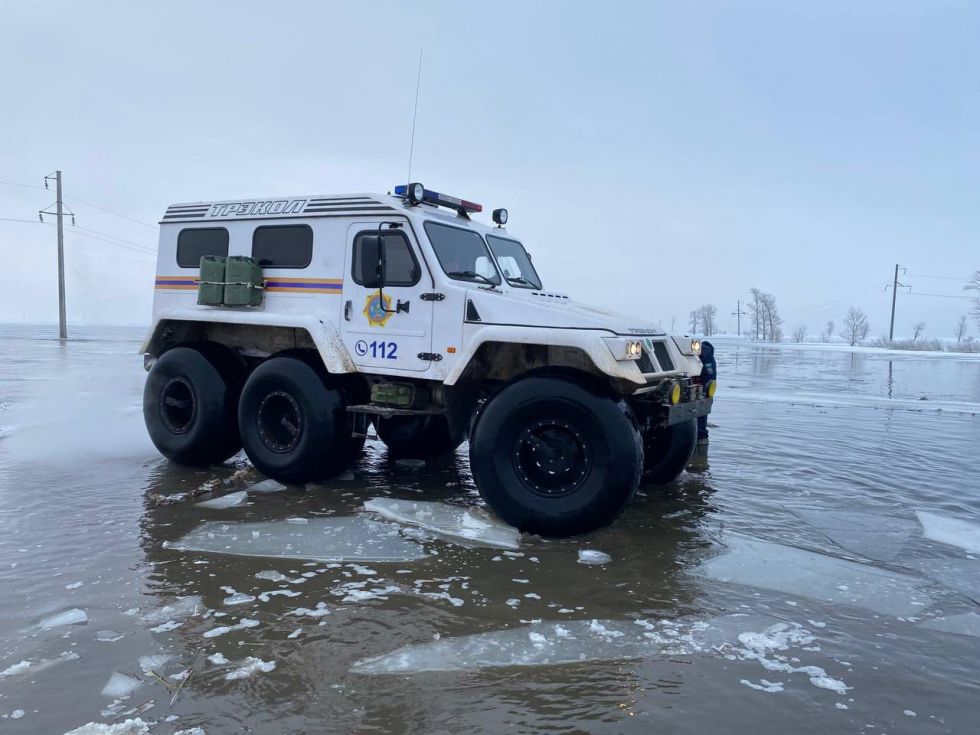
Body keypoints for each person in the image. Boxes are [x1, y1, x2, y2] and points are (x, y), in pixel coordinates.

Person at [697, 340, 716, 446]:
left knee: (700, 423)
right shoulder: (709, 356)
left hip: (703, 391)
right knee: (701, 420)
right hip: (707, 391)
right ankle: (702, 458)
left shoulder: (704, 356)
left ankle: (700, 452)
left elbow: (708, 376)